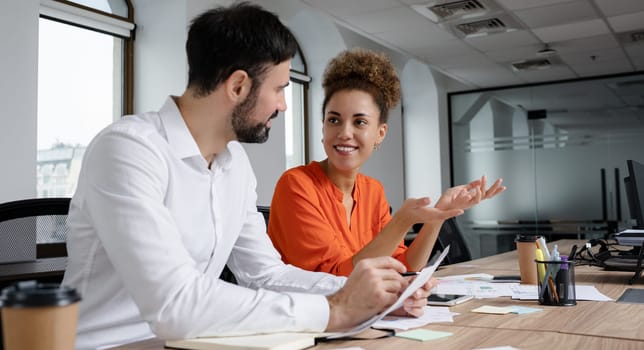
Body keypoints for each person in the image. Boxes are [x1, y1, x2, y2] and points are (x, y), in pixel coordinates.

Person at [61, 4, 433, 350]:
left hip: (197, 342)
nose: (283, 105)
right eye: (279, 89)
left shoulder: (234, 163)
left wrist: (375, 293)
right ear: (238, 87)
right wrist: (335, 310)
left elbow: (266, 274)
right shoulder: (128, 150)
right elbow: (175, 304)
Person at [268, 48, 505, 276]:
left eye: (359, 122)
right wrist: (402, 221)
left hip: (360, 313)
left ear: (380, 133)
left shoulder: (373, 191)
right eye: (334, 120)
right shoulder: (296, 185)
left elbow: (404, 265)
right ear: (323, 127)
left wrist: (439, 214)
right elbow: (335, 279)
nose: (344, 133)